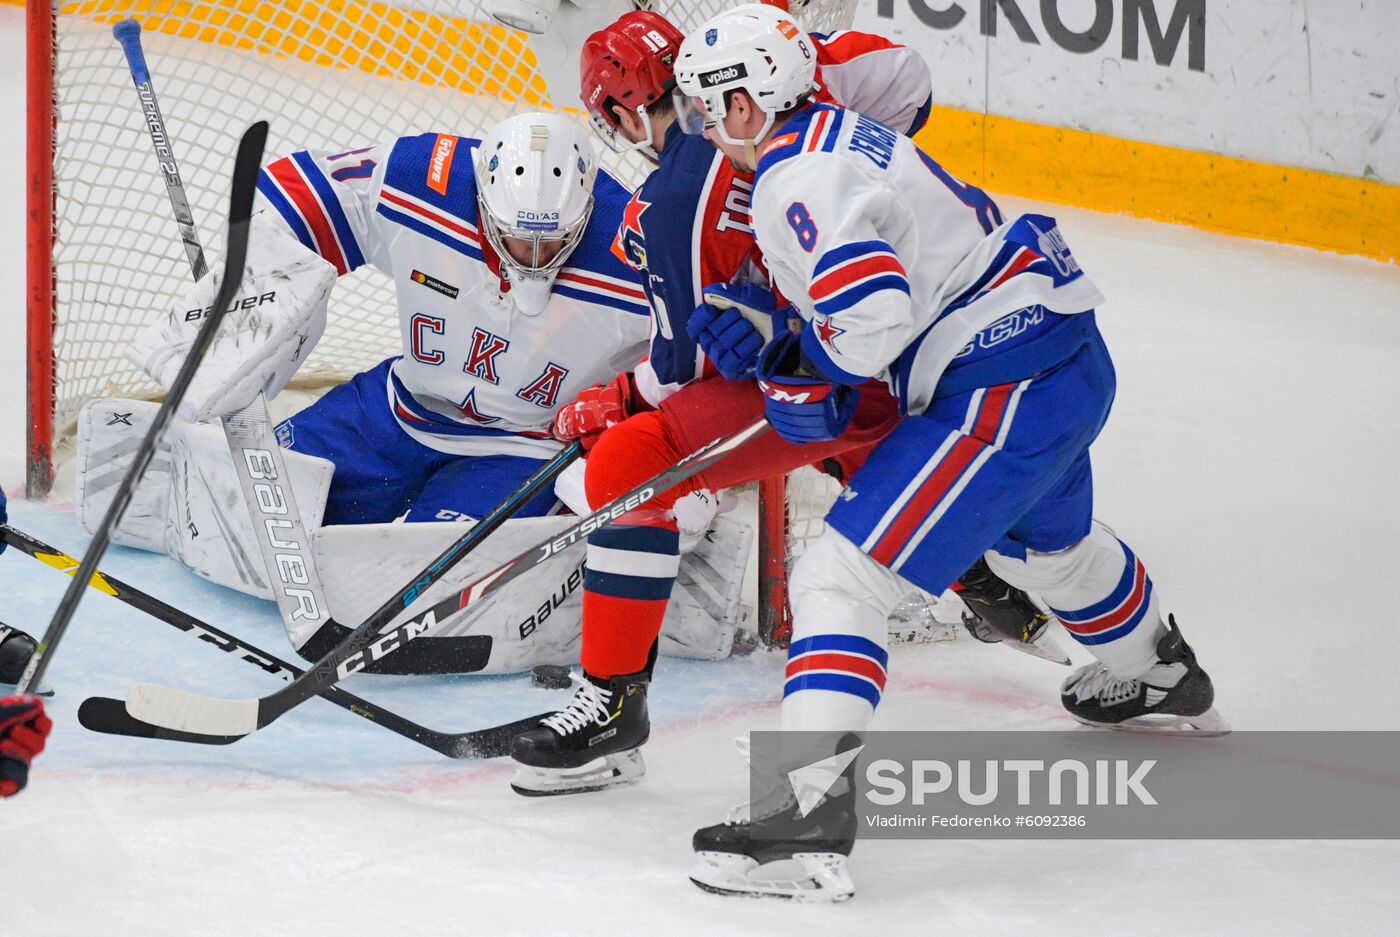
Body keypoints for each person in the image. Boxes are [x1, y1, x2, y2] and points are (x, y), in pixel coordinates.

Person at [668, 4, 1226, 899]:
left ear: (743, 105)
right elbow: (897, 262)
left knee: (841, 580)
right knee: (1042, 549)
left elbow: (875, 313)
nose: (703, 127)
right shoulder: (841, 128)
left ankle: (800, 821)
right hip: (1061, 359)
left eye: (707, 107)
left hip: (999, 385)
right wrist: (781, 316)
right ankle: (1158, 671)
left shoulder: (789, 176)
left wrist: (805, 360)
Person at [507, 7, 1052, 796]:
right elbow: (907, 79)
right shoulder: (804, 83)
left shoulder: (670, 209)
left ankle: (610, 711)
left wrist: (621, 395)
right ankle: (979, 561)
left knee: (637, 456)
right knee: (815, 403)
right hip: (953, 334)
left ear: (625, 112)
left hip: (851, 367)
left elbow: (685, 369)